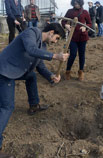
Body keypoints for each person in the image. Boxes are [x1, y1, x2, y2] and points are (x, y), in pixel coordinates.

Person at [0, 23, 69, 158]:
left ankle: (33, 105)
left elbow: (40, 66)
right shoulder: (31, 33)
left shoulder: (42, 46)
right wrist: (55, 56)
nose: (55, 41)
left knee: (31, 76)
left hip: (17, 70)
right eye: (56, 38)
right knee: (6, 107)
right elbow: (31, 49)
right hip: (5, 70)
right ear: (51, 32)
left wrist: (51, 76)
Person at [62, 0, 92, 81]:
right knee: (73, 54)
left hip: (83, 37)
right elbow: (63, 21)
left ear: (81, 3)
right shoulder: (70, 12)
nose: (76, 5)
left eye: (78, 3)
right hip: (73, 36)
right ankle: (68, 71)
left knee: (82, 55)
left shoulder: (85, 12)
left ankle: (80, 72)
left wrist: (85, 27)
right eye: (75, 3)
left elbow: (90, 23)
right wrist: (66, 25)